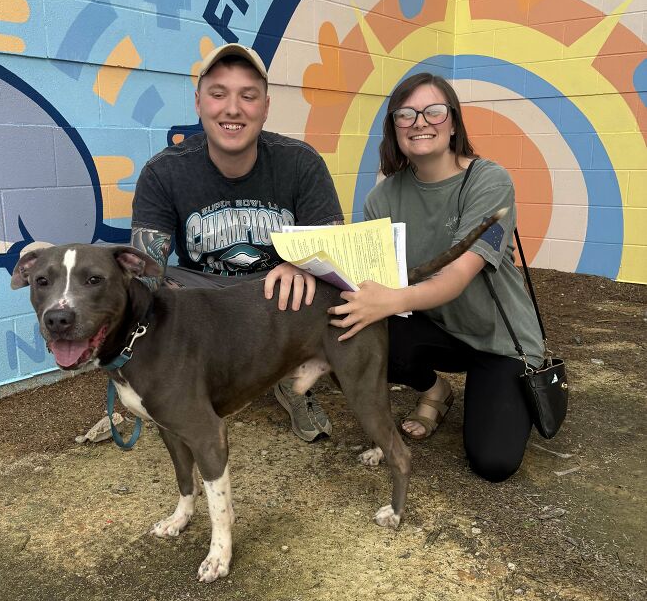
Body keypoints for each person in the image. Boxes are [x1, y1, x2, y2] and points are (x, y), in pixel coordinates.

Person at [328, 73, 544, 482]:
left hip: (498, 340)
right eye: (405, 114)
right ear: (394, 129)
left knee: (493, 463)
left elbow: (459, 274)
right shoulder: (382, 198)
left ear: (454, 122)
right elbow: (370, 274)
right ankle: (434, 390)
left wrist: (391, 300)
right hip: (437, 328)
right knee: (349, 330)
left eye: (434, 111)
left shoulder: (489, 181)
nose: (420, 122)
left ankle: (501, 388)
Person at [131, 43, 344, 442]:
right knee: (155, 291)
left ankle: (292, 379)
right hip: (204, 292)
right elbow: (146, 265)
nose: (233, 108)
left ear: (265, 106)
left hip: (273, 291)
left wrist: (300, 264)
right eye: (218, 94)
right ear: (198, 103)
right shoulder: (165, 171)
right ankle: (174, 389)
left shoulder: (299, 162)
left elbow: (334, 248)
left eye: (248, 96)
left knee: (321, 287)